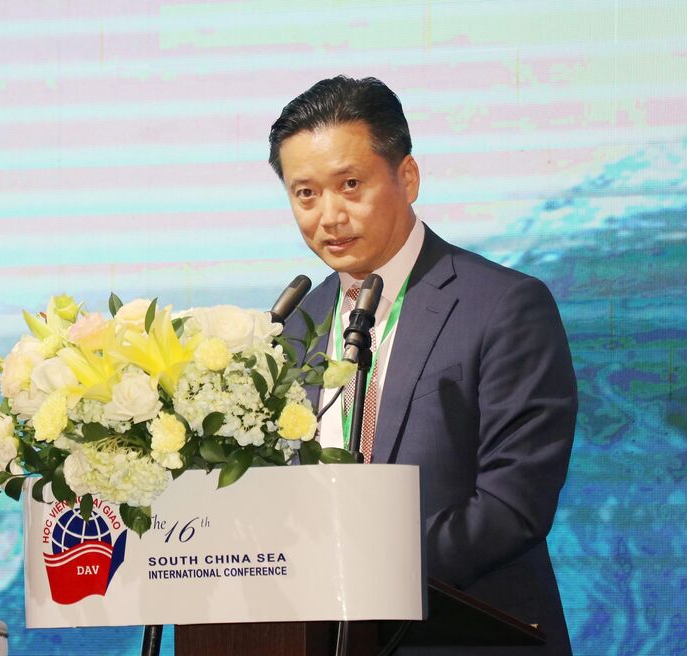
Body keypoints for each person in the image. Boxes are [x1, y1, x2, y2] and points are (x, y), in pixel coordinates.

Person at [271, 76, 577, 654]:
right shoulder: (293, 325)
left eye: (351, 184)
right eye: (305, 194)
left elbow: (512, 505)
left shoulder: (503, 305)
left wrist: (365, 574)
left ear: (407, 177)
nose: (329, 216)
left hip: (469, 637)